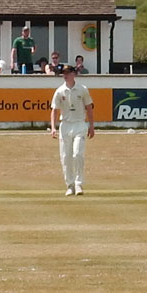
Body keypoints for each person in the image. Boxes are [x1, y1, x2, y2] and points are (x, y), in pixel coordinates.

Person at [50, 66, 95, 196]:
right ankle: (70, 185)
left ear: (73, 74)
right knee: (66, 157)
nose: (65, 76)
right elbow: (54, 110)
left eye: (67, 73)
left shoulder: (82, 89)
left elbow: (89, 108)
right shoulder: (59, 91)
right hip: (65, 125)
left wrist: (92, 126)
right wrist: (53, 127)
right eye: (63, 73)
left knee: (77, 154)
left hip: (80, 124)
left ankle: (78, 184)